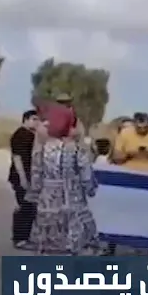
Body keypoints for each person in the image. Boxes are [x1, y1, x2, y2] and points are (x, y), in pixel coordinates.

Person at [27, 102, 100, 256]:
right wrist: (91, 190)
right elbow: (86, 176)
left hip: (48, 203)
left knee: (48, 247)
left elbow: (36, 176)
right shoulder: (76, 150)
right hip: (72, 201)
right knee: (72, 245)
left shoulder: (42, 149)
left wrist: (35, 195)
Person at [8, 109, 40, 249]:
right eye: (34, 119)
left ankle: (24, 236)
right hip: (21, 176)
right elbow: (17, 158)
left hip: (28, 176)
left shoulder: (30, 135)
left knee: (28, 206)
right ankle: (20, 239)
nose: (36, 122)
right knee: (25, 207)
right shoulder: (20, 135)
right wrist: (23, 179)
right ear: (25, 120)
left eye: (38, 119)